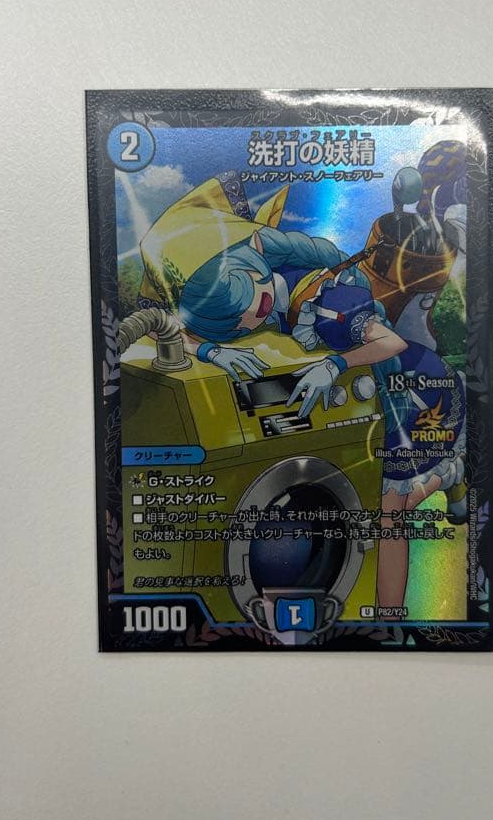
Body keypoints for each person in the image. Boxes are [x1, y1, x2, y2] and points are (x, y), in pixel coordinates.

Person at [137, 175, 465, 616]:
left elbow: (392, 343)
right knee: (384, 506)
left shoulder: (330, 305)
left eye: (251, 303)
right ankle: (450, 478)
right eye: (238, 323)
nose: (251, 319)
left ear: (252, 263)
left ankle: (391, 622)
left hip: (413, 391)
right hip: (371, 393)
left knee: (391, 515)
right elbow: (167, 326)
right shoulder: (244, 290)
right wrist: (213, 350)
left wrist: (335, 365)